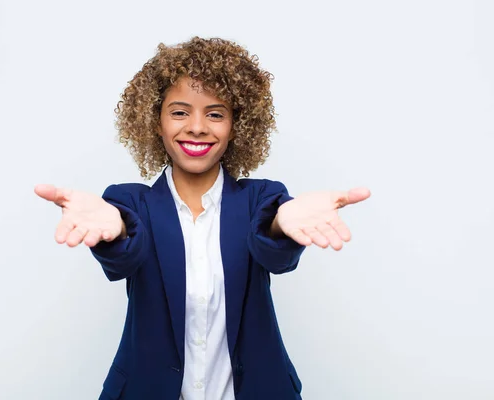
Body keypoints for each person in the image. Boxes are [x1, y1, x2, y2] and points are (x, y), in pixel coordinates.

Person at [34, 37, 370, 400]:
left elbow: (273, 245)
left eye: (215, 113)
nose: (196, 127)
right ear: (155, 121)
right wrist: (114, 231)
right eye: (179, 112)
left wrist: (282, 222)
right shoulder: (131, 202)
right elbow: (125, 249)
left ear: (236, 125)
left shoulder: (260, 199)